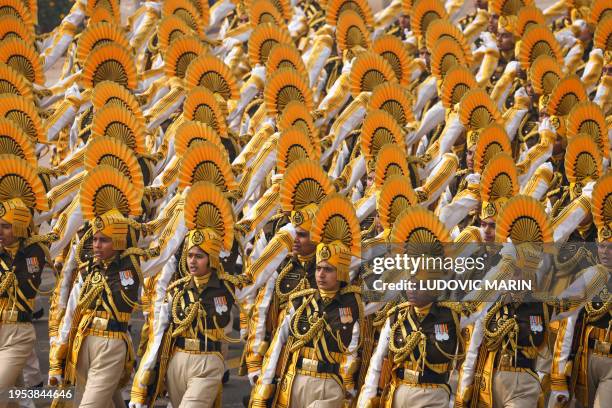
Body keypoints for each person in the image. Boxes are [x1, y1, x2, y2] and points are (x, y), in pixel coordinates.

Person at [130, 182, 243, 408]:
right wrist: (142, 381)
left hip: (209, 361)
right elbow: (159, 335)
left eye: (199, 256)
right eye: (190, 255)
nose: (192, 261)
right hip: (176, 362)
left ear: (211, 258)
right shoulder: (176, 291)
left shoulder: (228, 287)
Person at [249, 194, 363, 408]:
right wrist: (256, 363)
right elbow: (261, 310)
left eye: (302, 235)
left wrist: (347, 382)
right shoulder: (283, 267)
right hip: (288, 369)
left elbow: (353, 342)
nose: (296, 240)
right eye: (319, 269)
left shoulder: (349, 299)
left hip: (328, 376)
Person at [48, 165, 145, 408]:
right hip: (83, 341)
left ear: (119, 241)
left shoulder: (133, 265)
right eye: (94, 239)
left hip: (112, 345)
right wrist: (57, 356)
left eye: (104, 240)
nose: (97, 245)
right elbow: (71, 312)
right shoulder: (87, 271)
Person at [0, 156, 52, 408]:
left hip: (19, 333)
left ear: (20, 227)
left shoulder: (34, 251)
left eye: (6, 227)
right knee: (16, 397)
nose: (0, 231)